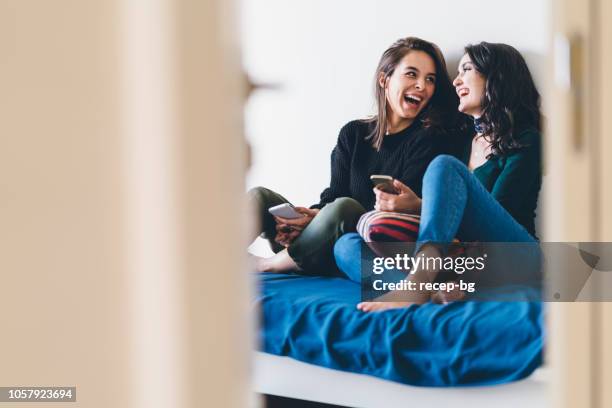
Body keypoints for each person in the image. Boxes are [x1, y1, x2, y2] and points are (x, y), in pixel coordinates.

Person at [334, 42, 543, 310]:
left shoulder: (526, 140)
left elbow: (498, 213)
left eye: (466, 69)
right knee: (345, 246)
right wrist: (413, 207)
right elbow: (449, 213)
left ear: (495, 77)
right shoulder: (461, 139)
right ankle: (429, 290)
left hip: (512, 255)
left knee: (443, 165)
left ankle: (417, 286)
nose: (456, 81)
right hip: (461, 260)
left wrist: (419, 205)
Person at [249, 37, 465, 275]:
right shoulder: (353, 133)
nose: (422, 86)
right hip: (322, 237)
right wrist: (308, 218)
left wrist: (331, 216)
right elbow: (335, 194)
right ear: (384, 79)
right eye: (412, 74)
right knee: (260, 197)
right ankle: (216, 256)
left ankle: (268, 264)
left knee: (346, 207)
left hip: (354, 246)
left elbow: (391, 214)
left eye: (430, 79)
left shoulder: (428, 139)